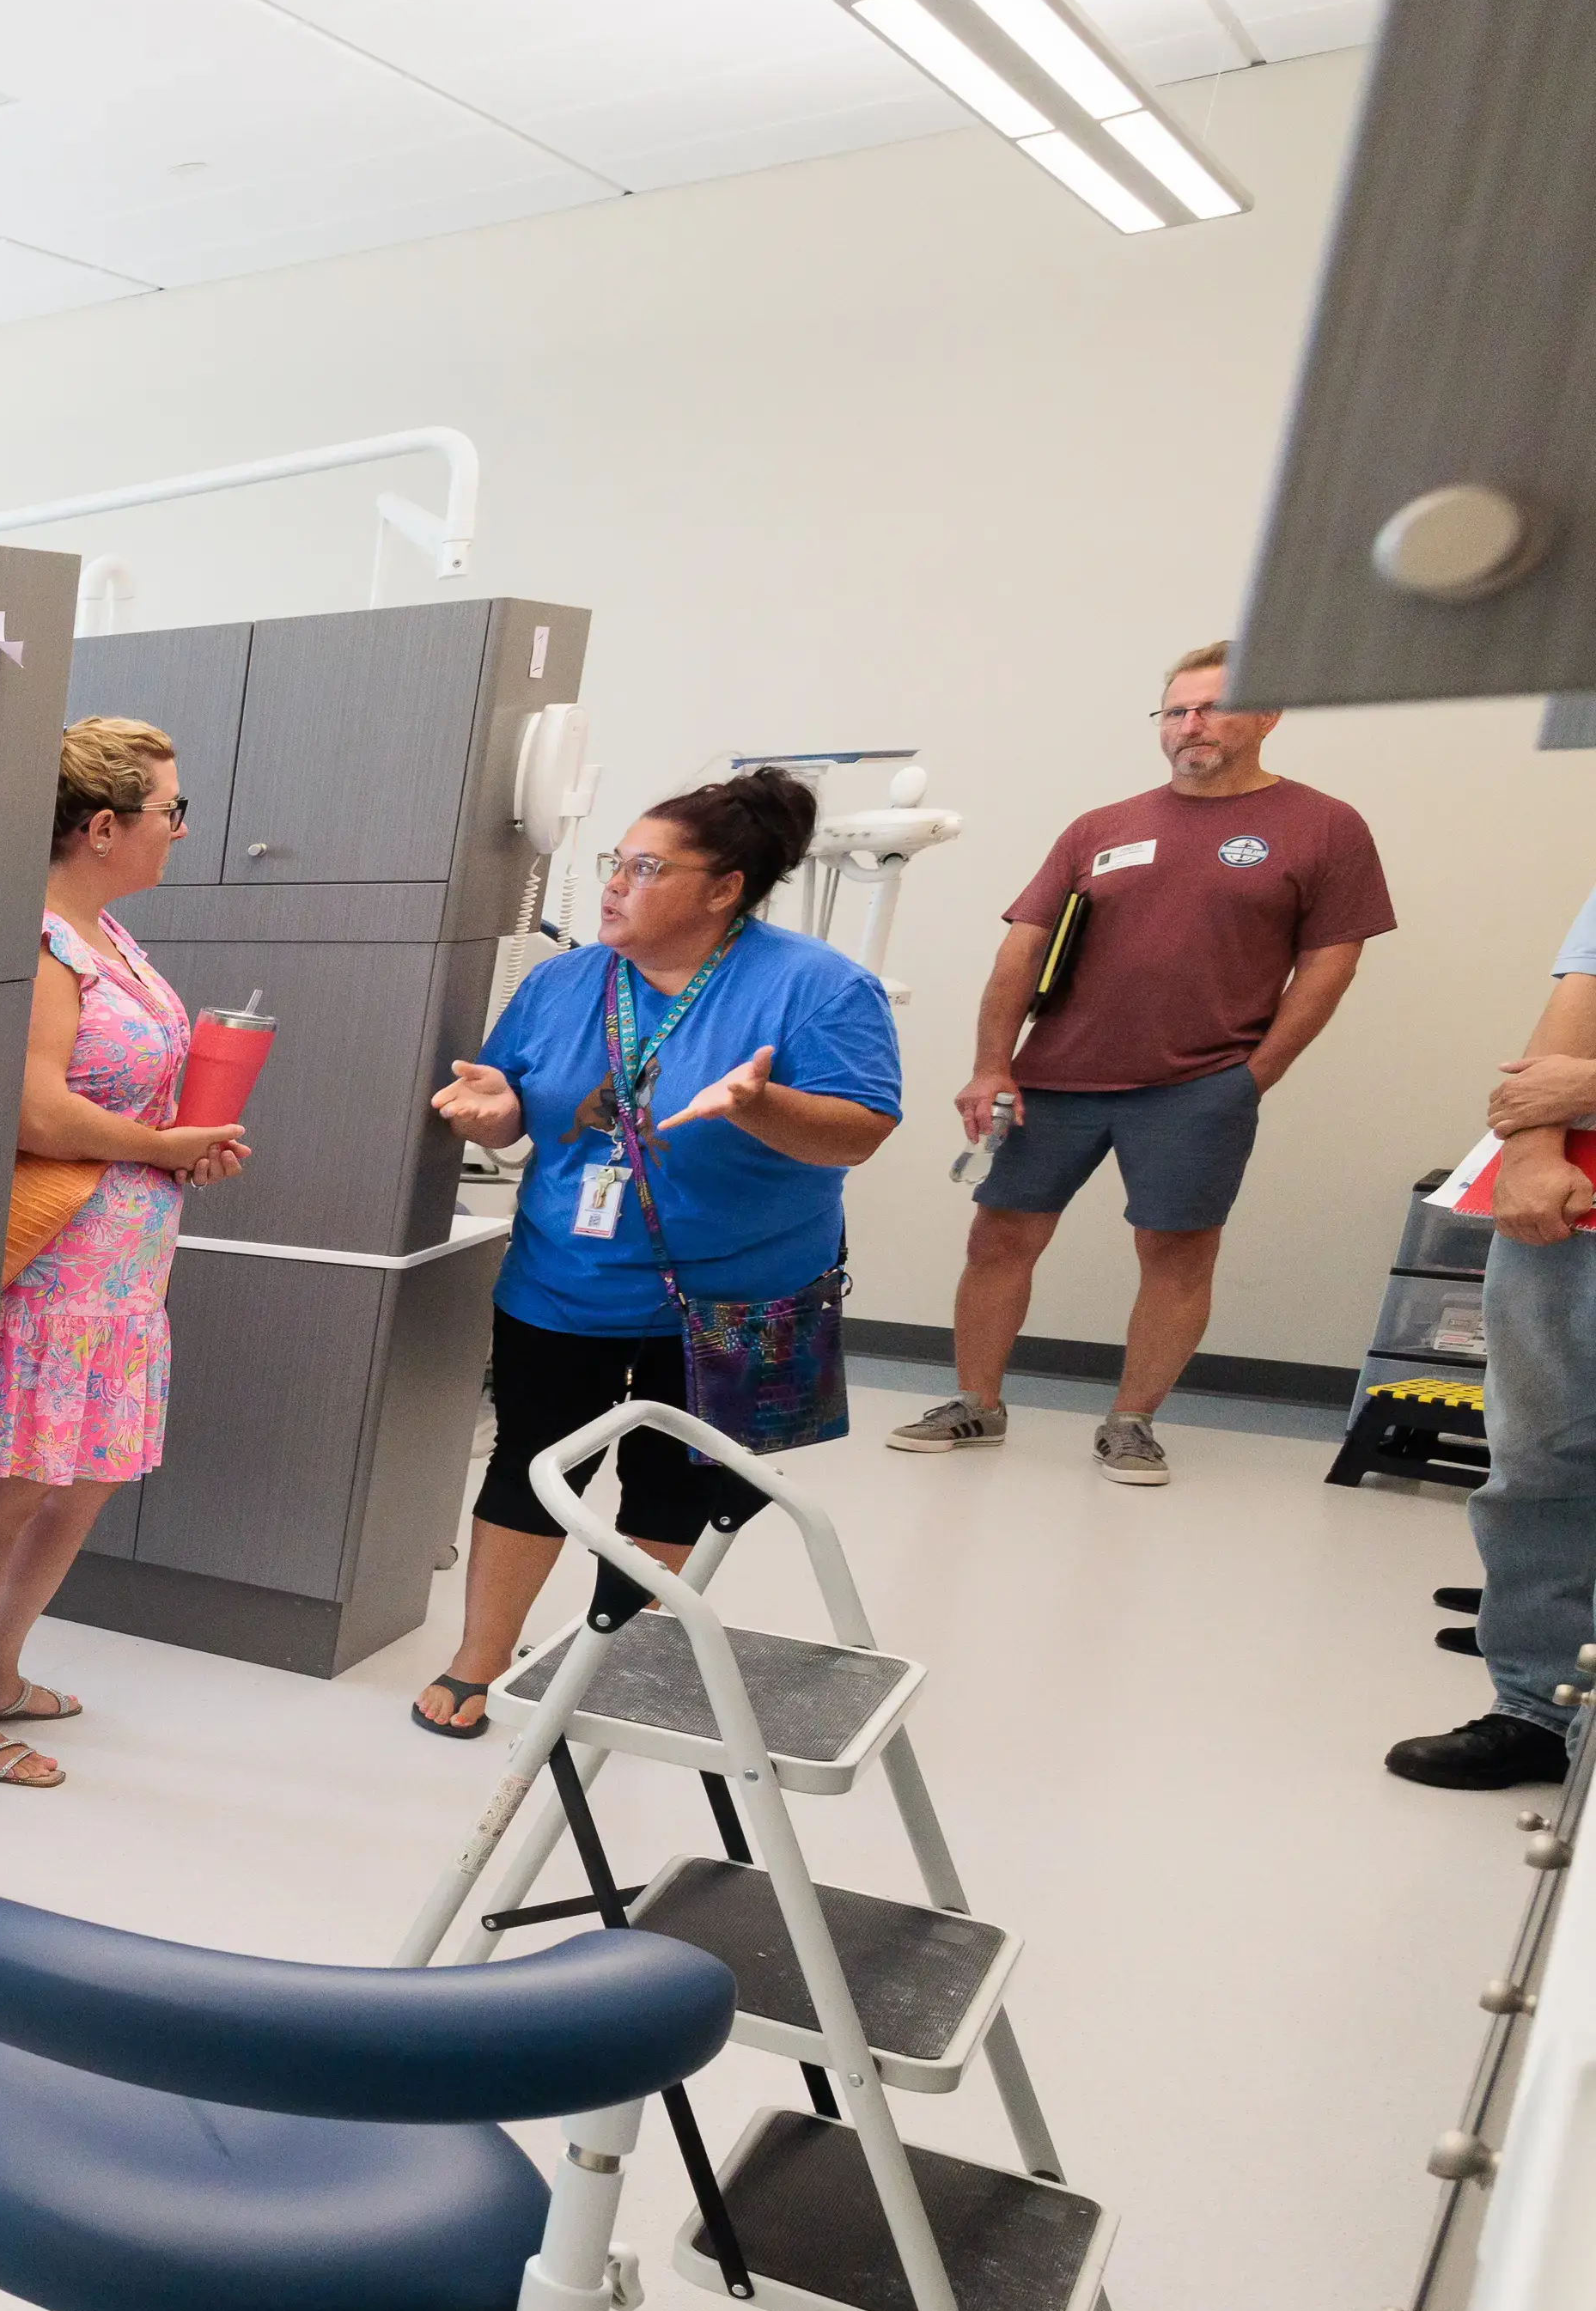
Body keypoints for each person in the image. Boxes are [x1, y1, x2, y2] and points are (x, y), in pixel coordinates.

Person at [416, 768, 900, 1738]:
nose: (612, 884)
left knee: (674, 1479)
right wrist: (495, 1110)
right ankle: (478, 1657)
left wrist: (763, 1106)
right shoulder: (562, 981)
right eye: (614, 861)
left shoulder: (814, 988)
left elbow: (857, 1131)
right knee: (531, 1461)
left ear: (721, 888)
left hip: (740, 1293)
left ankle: (614, 1658)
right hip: (568, 1278)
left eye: (643, 867)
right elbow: (515, 1099)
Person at [895, 641, 1396, 1486]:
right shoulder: (1099, 828)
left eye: (1209, 707)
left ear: (1265, 716)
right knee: (998, 1238)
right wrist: (991, 1065)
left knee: (1174, 1252)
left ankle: (1130, 1422)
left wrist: (1253, 1073)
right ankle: (974, 1403)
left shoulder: (1323, 825)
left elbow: (1330, 962)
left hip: (1199, 1083)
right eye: (1173, 710)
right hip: (1054, 1076)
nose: (1188, 724)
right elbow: (1020, 951)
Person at [0, 716, 243, 1791]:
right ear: (104, 824)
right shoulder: (40, 941)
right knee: (12, 1492)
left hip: (123, 1269)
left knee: (77, 1483)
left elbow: (124, 1098)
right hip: (57, 1268)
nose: (178, 829)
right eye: (171, 810)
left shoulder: (111, 935)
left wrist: (180, 1148)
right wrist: (160, 1144)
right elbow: (34, 1111)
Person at [1392, 895, 1596, 1788]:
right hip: (1573, 1208)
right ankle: (1537, 1709)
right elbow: (1568, 1017)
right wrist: (1528, 1150)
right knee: (1538, 1461)